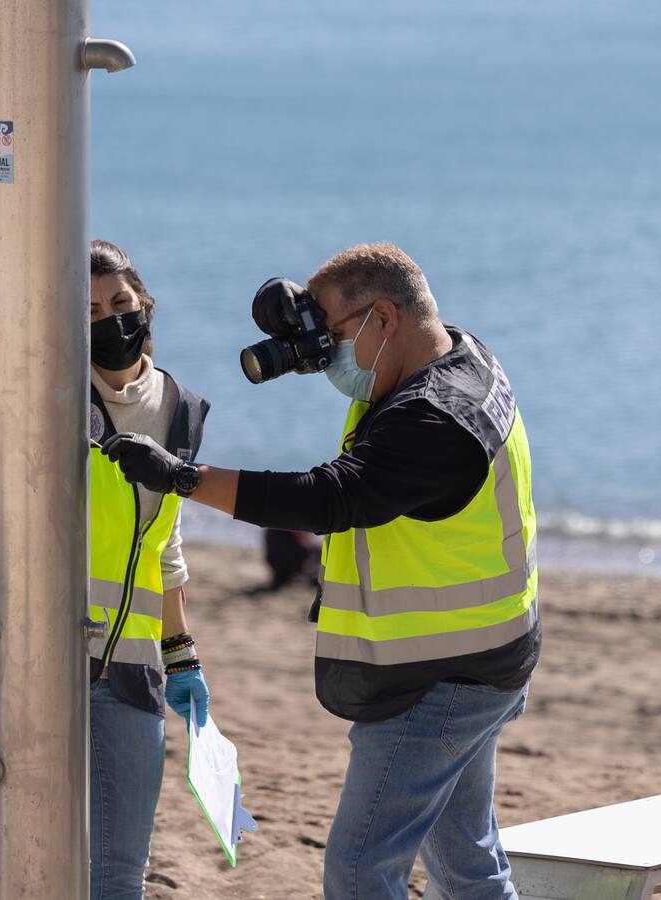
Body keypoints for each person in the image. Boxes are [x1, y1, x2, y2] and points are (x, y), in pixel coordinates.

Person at [101, 243, 540, 900]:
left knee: (362, 870)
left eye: (334, 337)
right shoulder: (456, 354)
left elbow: (330, 498)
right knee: (468, 861)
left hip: (439, 678)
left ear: (384, 319)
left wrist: (186, 478)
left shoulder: (435, 418)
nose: (328, 356)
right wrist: (318, 331)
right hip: (488, 654)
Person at [87, 240, 212, 899]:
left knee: (119, 868)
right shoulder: (46, 396)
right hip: (46, 659)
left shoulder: (181, 410)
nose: (109, 320)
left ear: (145, 307)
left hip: (136, 667)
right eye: (88, 311)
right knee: (38, 848)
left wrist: (183, 655)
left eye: (120, 303)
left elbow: (165, 545)